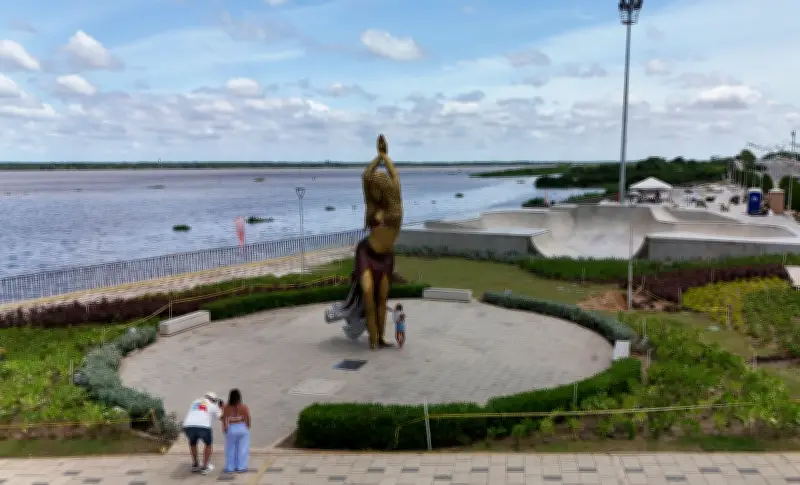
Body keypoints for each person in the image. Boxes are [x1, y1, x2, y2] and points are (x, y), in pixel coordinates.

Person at [182, 391, 223, 475]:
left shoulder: (195, 401)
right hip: (203, 427)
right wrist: (221, 408)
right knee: (208, 444)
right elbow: (221, 417)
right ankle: (205, 467)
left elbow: (197, 413)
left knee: (193, 443)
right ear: (213, 400)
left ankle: (195, 464)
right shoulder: (213, 405)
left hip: (188, 426)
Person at [222, 389, 251, 473]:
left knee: (230, 449)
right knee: (243, 448)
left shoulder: (226, 407)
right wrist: (248, 426)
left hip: (231, 428)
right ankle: (241, 467)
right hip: (242, 427)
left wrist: (225, 428)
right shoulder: (244, 407)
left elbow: (224, 419)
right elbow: (248, 417)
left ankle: (230, 467)